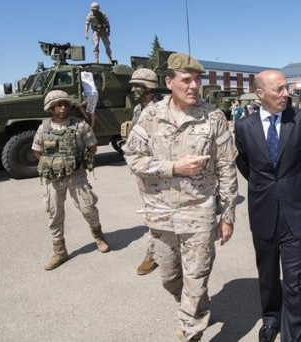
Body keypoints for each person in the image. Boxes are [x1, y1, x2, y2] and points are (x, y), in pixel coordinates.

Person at [122, 52, 238, 342]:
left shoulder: (213, 118)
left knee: (196, 279)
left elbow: (226, 169)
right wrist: (173, 167)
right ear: (169, 82)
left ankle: (190, 331)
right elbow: (133, 158)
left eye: (198, 80)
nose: (193, 86)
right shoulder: (150, 116)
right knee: (170, 277)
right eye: (186, 80)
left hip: (199, 212)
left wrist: (228, 217)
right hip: (160, 214)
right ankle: (195, 304)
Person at [234, 70, 301, 342]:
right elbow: (245, 165)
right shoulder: (244, 126)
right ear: (260, 93)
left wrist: (292, 186)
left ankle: (294, 337)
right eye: (279, 90)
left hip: (296, 211)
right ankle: (271, 319)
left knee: (295, 280)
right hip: (262, 211)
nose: (286, 94)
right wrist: (267, 188)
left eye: (287, 88)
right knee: (268, 274)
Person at [32, 90, 111, 271]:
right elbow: (37, 152)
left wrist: (76, 159)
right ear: (51, 108)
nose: (63, 107)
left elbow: (92, 148)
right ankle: (59, 251)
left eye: (66, 104)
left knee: (88, 207)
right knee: (54, 213)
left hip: (77, 176)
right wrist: (54, 163)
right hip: (53, 178)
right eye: (59, 104)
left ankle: (99, 236)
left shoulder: (80, 126)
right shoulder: (43, 128)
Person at [128, 67, 161, 276]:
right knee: (153, 210)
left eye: (136, 87)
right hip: (144, 169)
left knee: (156, 212)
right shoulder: (138, 109)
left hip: (160, 169)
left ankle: (153, 253)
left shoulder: (161, 109)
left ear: (148, 88)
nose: (132, 91)